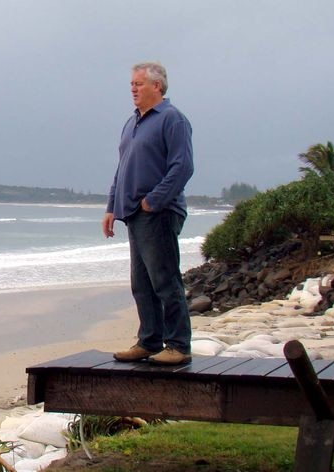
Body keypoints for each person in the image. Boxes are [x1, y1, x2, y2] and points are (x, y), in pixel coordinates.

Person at [102, 61, 194, 365]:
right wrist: (111, 208)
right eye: (131, 84)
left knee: (165, 280)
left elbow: (182, 167)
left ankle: (178, 345)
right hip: (133, 214)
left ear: (157, 86)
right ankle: (150, 341)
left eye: (138, 83)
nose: (133, 88)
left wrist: (153, 201)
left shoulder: (172, 119)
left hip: (160, 213)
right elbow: (122, 168)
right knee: (141, 283)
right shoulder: (132, 123)